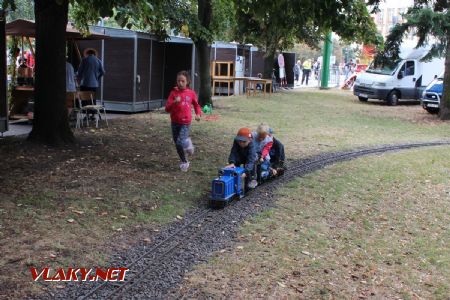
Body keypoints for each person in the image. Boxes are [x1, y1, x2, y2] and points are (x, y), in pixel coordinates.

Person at [165, 71, 202, 172]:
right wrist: (174, 102)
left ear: (187, 82)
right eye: (178, 81)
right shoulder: (173, 93)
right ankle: (184, 161)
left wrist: (198, 114)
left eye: (183, 81)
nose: (180, 83)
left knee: (179, 141)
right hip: (174, 122)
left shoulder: (191, 93)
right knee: (177, 144)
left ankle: (188, 144)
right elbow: (167, 109)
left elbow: (196, 105)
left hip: (185, 122)